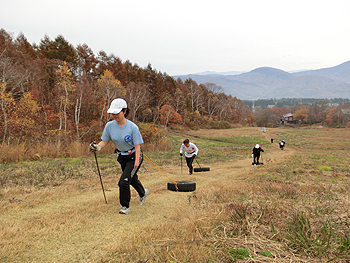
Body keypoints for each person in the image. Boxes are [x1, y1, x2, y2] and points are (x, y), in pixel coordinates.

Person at [89, 98, 148, 215]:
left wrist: (136, 162)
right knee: (131, 179)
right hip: (122, 157)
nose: (114, 115)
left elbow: (137, 147)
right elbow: (104, 141)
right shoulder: (109, 126)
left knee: (123, 181)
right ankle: (143, 193)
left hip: (134, 156)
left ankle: (125, 206)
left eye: (117, 112)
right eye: (113, 113)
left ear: (124, 111)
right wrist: (97, 147)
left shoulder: (132, 127)